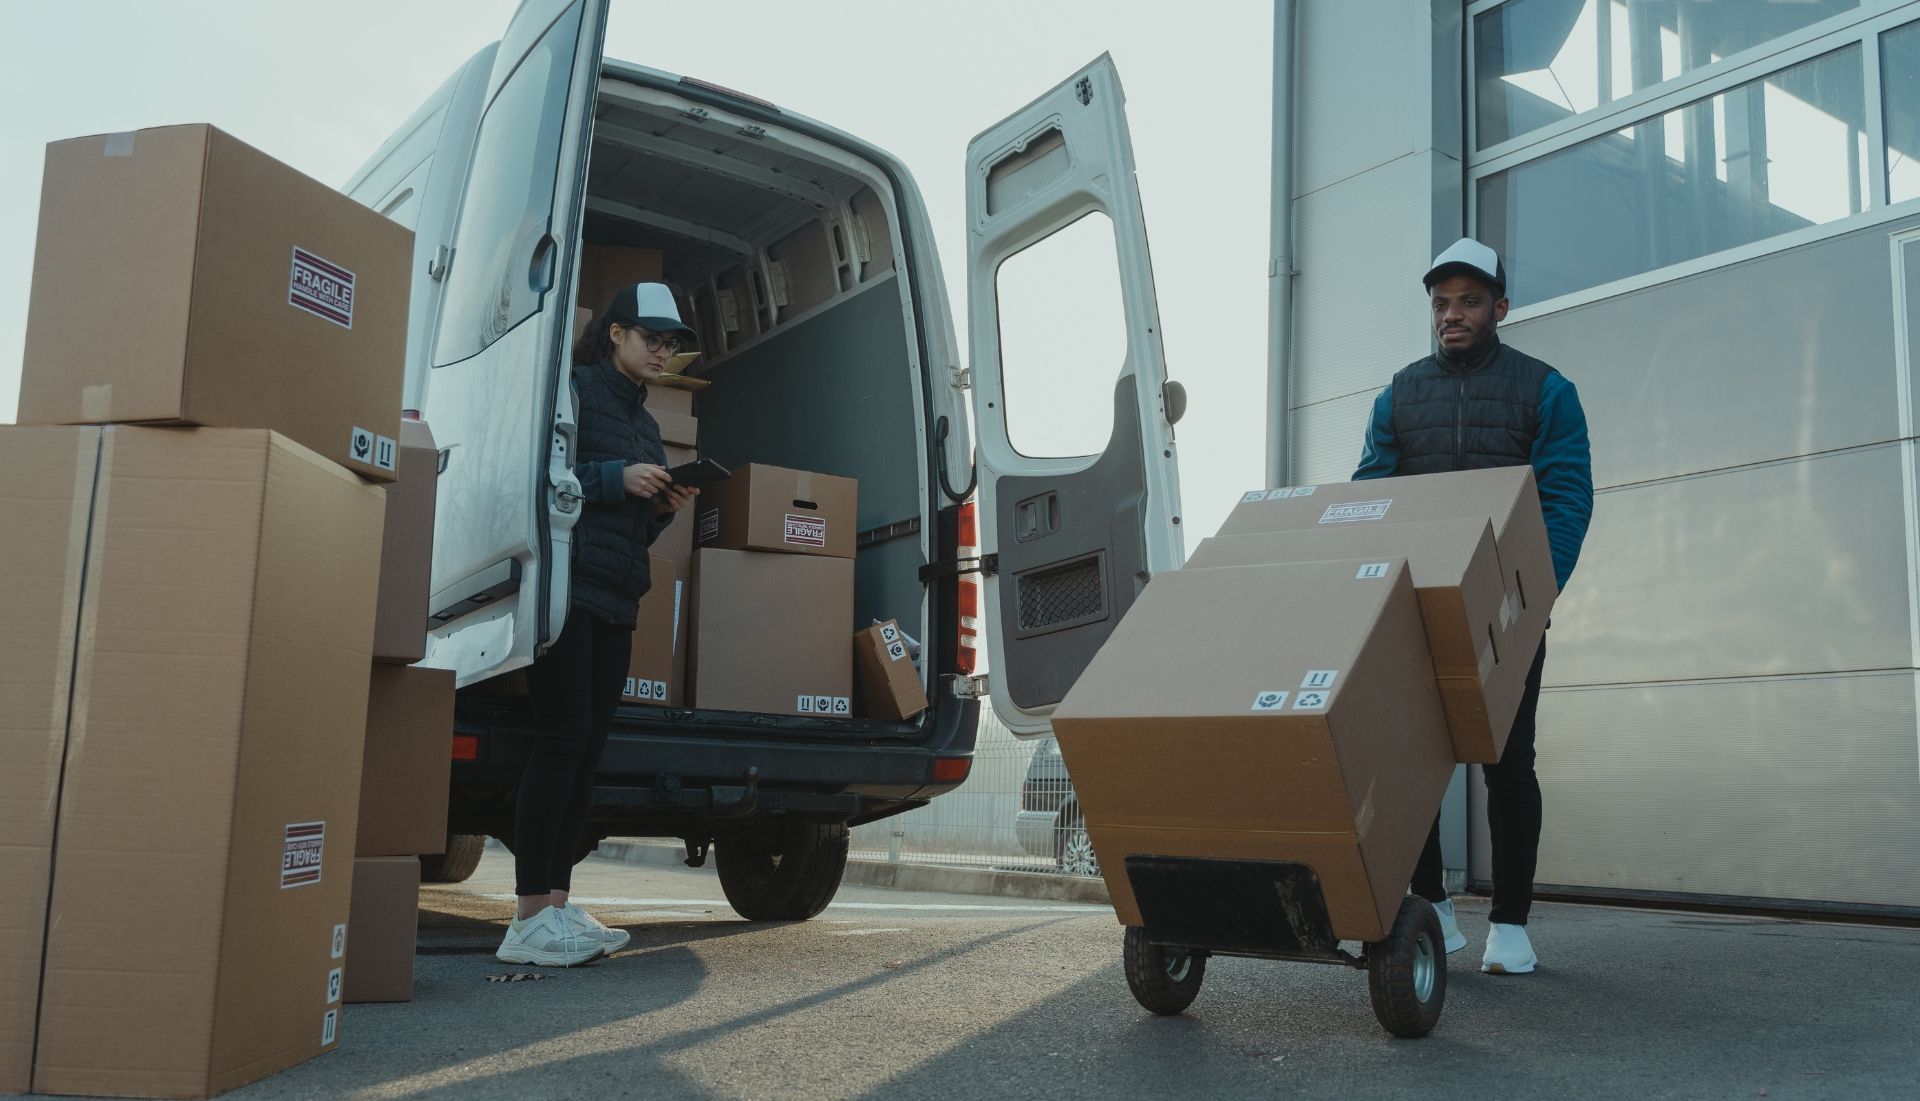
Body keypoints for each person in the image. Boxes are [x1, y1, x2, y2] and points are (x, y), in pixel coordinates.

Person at [1352, 239, 1593, 975]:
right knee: (1411, 763)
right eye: (1441, 304)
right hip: (1415, 611)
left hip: (1507, 615)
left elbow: (1565, 499)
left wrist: (1532, 597)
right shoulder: (1399, 395)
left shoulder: (1545, 391)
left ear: (1500, 307)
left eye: (1468, 301)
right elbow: (1371, 494)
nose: (1451, 315)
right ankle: (1436, 908)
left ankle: (1512, 926)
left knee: (1506, 763)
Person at [496, 282, 701, 967]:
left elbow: (632, 530)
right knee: (559, 741)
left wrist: (665, 502)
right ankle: (526, 916)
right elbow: (535, 476)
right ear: (616, 333)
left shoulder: (646, 424)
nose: (663, 351)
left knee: (587, 750)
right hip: (565, 588)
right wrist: (617, 478)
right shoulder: (574, 391)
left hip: (618, 595)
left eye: (670, 344)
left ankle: (556, 904)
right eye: (652, 338)